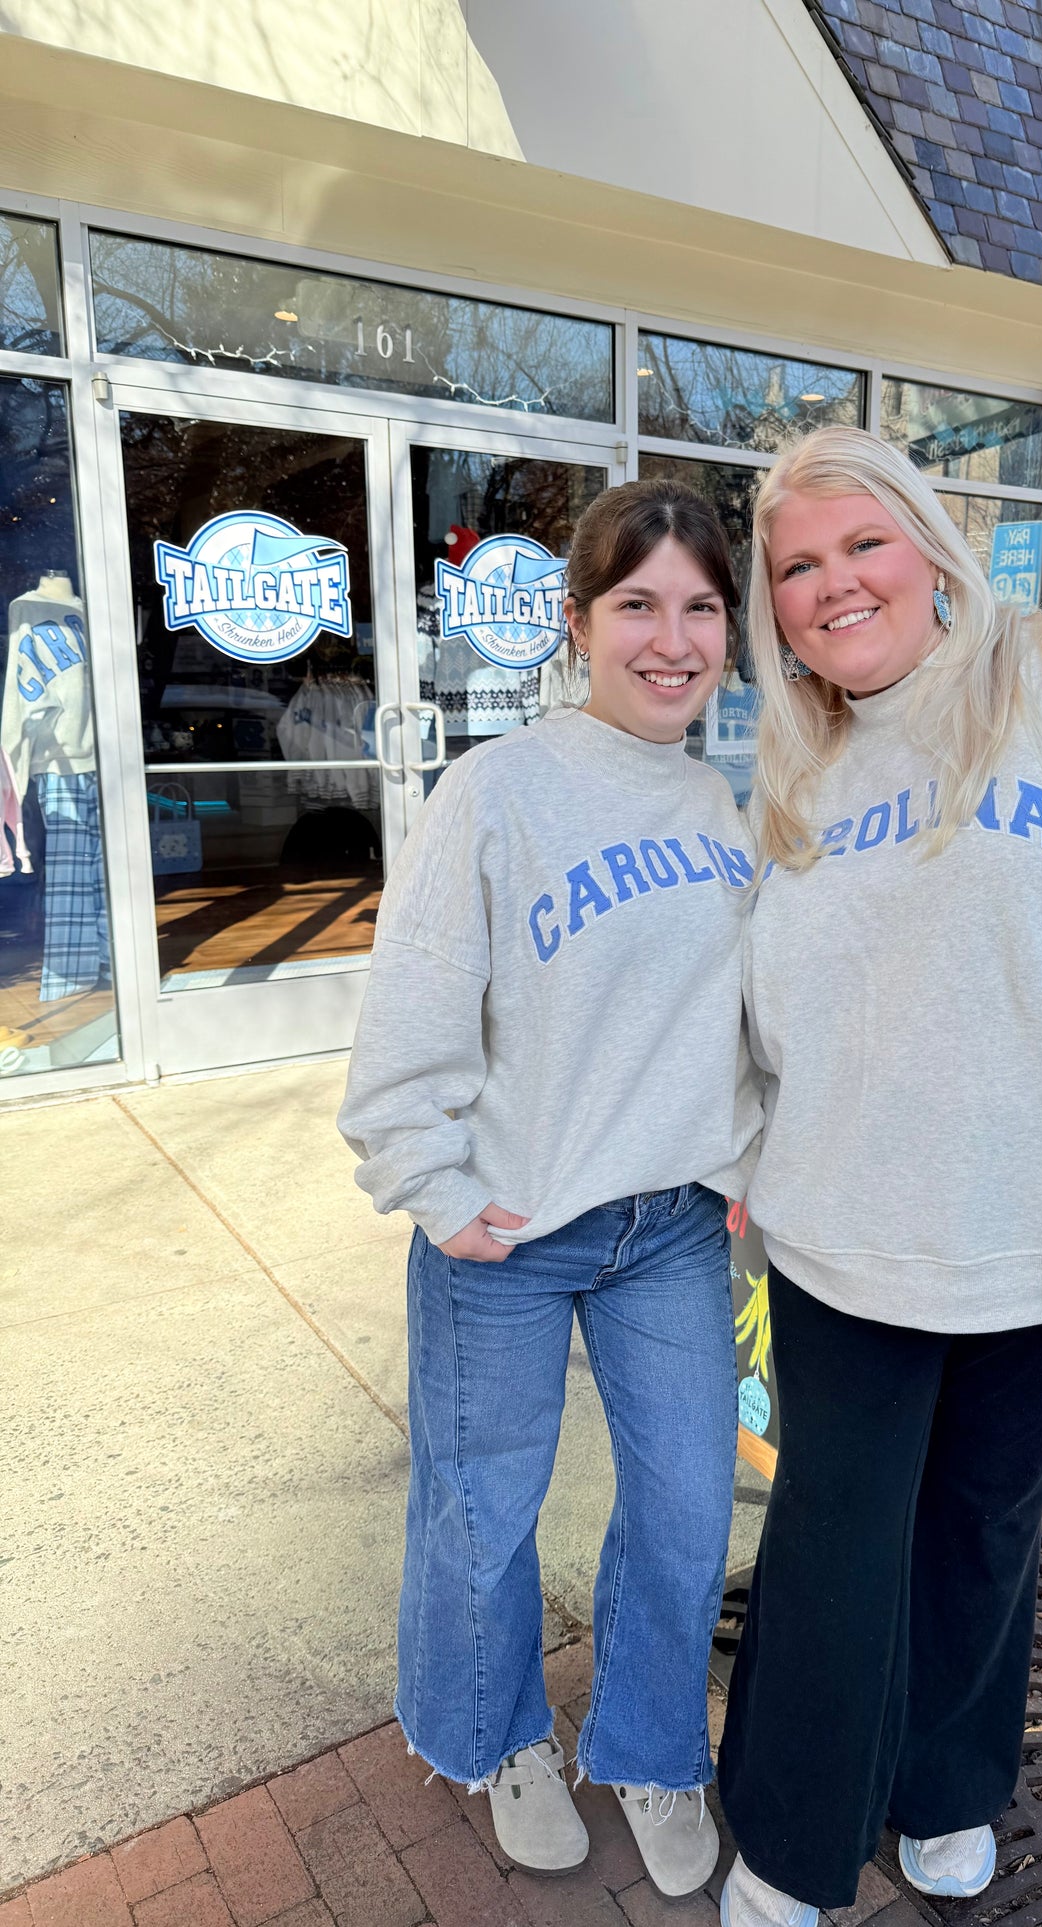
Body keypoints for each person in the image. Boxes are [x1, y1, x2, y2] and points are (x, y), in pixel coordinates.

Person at [716, 426, 1042, 1927]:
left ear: (929, 546)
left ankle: (945, 1788)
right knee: (832, 1548)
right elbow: (758, 1010)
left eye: (859, 544)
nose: (833, 585)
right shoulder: (800, 763)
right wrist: (744, 1161)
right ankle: (792, 1839)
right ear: (775, 609)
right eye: (796, 568)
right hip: (836, 1248)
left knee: (978, 1537)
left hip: (1041, 1254)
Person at [337, 478, 760, 1901]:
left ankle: (649, 1747)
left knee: (688, 1508)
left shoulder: (717, 804)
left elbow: (732, 1018)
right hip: (508, 1232)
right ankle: (500, 1737)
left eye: (699, 607)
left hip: (669, 1230)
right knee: (482, 1513)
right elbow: (414, 1005)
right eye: (637, 604)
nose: (671, 639)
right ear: (578, 624)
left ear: (729, 630)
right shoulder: (497, 790)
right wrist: (431, 1181)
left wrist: (744, 1156)